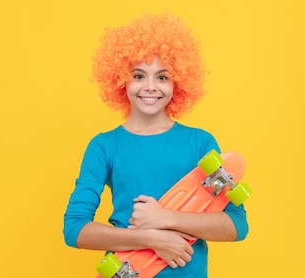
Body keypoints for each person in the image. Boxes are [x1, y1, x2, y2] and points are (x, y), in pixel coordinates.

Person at [63, 13, 249, 277]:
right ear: (121, 80)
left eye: (162, 77)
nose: (150, 87)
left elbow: (236, 226)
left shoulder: (200, 143)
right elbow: (75, 229)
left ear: (178, 82)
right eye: (139, 76)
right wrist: (151, 238)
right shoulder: (104, 146)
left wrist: (166, 218)